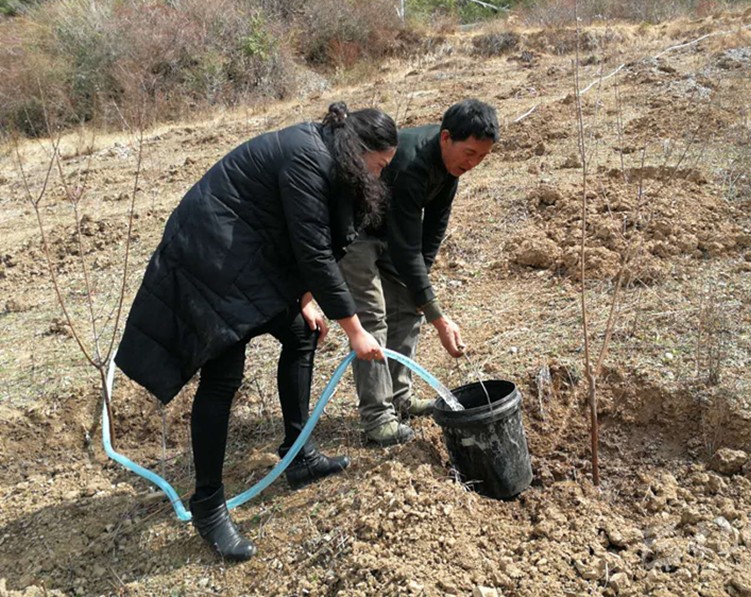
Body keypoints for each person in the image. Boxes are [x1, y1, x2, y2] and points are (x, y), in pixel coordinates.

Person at [114, 102, 398, 562]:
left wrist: (303, 300)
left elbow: (300, 234)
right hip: (210, 257)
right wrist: (356, 330)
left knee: (301, 334)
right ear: (359, 149)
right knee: (223, 375)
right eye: (379, 166)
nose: (378, 177)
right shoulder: (309, 157)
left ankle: (299, 454)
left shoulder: (327, 154)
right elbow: (314, 253)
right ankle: (208, 505)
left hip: (243, 253)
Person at [339, 99, 499, 446]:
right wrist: (438, 318)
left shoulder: (450, 167)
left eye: (482, 157)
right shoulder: (413, 164)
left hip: (391, 232)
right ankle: (378, 418)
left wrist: (420, 289)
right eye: (469, 153)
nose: (473, 163)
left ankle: (400, 397)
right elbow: (406, 246)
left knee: (408, 308)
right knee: (372, 318)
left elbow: (433, 229)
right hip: (356, 233)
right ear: (446, 138)